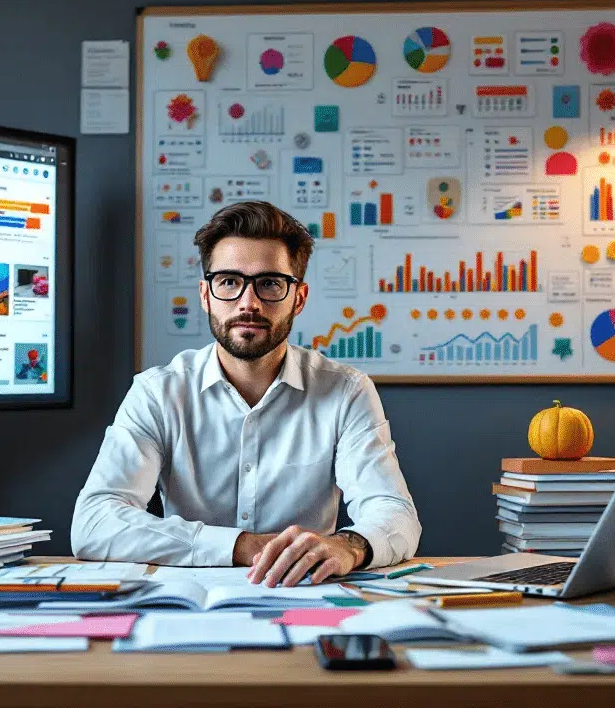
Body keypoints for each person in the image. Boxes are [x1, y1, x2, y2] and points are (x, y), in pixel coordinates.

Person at [72, 201, 419, 586]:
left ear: (298, 298)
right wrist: (242, 546)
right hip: (185, 603)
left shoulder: (345, 391)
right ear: (206, 295)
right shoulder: (158, 392)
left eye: (270, 283)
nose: (248, 302)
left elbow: (394, 513)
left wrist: (348, 546)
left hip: (305, 597)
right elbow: (94, 522)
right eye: (229, 282)